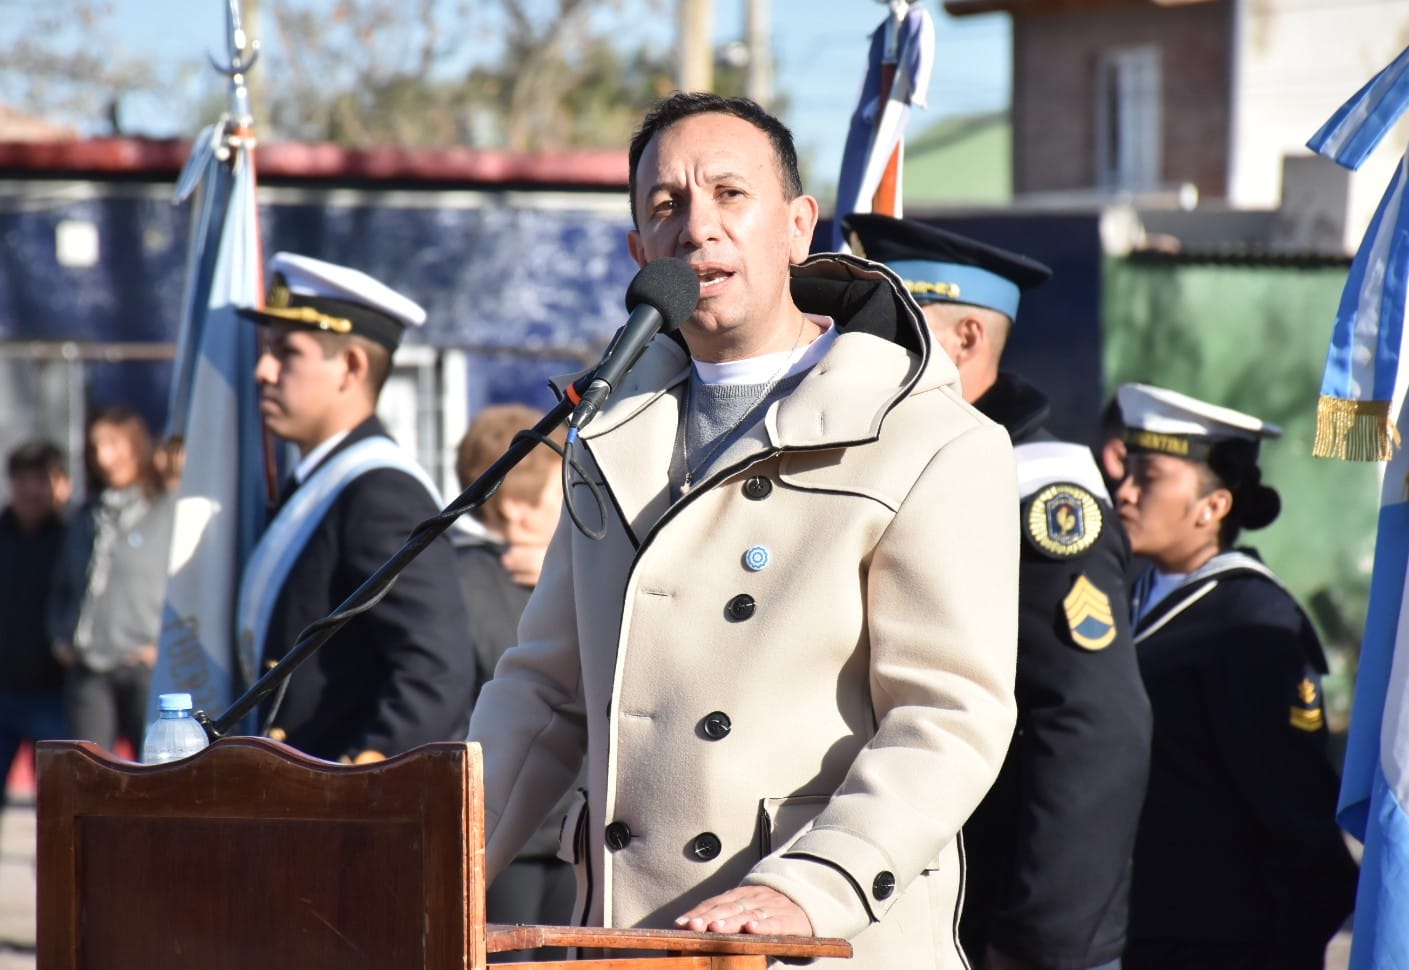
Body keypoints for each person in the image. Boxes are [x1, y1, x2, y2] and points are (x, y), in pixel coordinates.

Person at [467, 91, 1020, 970]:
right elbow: (543, 694)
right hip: (627, 938)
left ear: (798, 227)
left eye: (730, 194)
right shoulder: (605, 433)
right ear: (638, 251)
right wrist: (434, 862)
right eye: (665, 205)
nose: (697, 227)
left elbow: (947, 717)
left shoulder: (928, 439)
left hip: (813, 940)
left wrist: (811, 885)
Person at [845, 214, 1152, 970]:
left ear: (967, 338)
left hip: (999, 927)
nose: (856, 346)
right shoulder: (901, 466)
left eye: (889, 326)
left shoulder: (1037, 494)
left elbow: (1088, 728)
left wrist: (1037, 942)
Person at [1114, 383, 1358, 969]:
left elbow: (1295, 813)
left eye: (1148, 477)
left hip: (1220, 944)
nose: (1124, 491)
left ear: (1213, 506)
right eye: (1126, 471)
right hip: (1139, 932)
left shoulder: (1251, 622)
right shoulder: (1132, 598)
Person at [237, 252, 476, 763]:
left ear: (350, 367)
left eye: (287, 352)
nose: (263, 370)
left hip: (330, 793)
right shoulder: (317, 481)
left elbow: (435, 673)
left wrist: (360, 779)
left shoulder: (380, 491)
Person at [453, 404, 575, 961]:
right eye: (561, 493)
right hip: (521, 839)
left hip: (529, 833)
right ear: (516, 509)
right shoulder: (472, 584)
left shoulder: (462, 577)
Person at [49, 406, 175, 754]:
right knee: (89, 767)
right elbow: (63, 585)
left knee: (158, 766)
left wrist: (163, 646)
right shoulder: (87, 515)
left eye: (113, 444)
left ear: (137, 446)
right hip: (89, 665)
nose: (104, 457)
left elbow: (190, 588)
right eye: (96, 447)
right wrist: (61, 636)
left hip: (144, 667)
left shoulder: (167, 510)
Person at [0, 441, 69, 798]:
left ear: (60, 484)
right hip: (2, 688)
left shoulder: (73, 537)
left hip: (55, 693)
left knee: (59, 797)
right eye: (22, 480)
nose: (30, 490)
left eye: (40, 480)